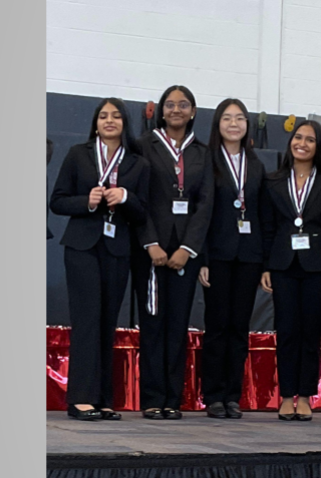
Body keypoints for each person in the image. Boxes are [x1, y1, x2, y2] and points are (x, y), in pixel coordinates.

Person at [52, 98, 150, 421]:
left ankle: (103, 398)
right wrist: (87, 201)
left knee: (108, 322)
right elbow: (58, 202)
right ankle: (80, 398)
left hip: (118, 248)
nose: (110, 120)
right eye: (103, 116)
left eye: (116, 116)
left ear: (125, 123)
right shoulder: (78, 154)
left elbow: (143, 213)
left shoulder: (138, 163)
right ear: (95, 122)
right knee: (87, 320)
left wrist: (126, 197)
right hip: (81, 247)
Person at [134, 85, 213, 420]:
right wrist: (151, 243)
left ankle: (172, 399)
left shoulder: (204, 153)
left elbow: (205, 204)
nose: (176, 109)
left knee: (178, 325)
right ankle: (153, 398)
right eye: (170, 104)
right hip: (150, 251)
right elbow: (137, 198)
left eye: (183, 104)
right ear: (160, 111)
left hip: (185, 253)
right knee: (153, 324)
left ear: (193, 111)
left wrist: (188, 248)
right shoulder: (142, 146)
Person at [260, 120, 321, 422]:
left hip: (317, 267)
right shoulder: (273, 181)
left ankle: (305, 395)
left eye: (310, 139)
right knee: (286, 331)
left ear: (318, 146)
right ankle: (285, 396)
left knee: (310, 331)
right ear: (290, 142)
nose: (303, 144)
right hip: (282, 265)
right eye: (298, 138)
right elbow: (268, 228)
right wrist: (265, 266)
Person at [197, 98, 264, 419]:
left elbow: (262, 215)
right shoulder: (207, 161)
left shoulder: (258, 165)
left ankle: (232, 396)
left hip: (249, 257)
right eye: (227, 118)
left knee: (239, 327)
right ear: (217, 124)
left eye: (240, 118)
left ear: (247, 125)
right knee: (217, 326)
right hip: (218, 256)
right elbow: (202, 215)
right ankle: (212, 395)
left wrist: (264, 263)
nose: (234, 124)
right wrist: (203, 258)